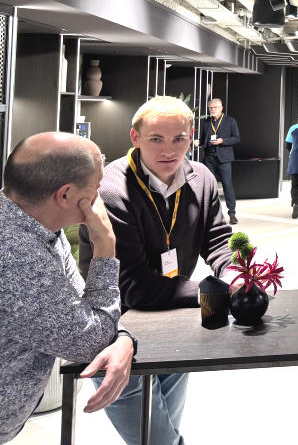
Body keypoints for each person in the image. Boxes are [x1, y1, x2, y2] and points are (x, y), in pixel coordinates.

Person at [79, 96, 234, 445]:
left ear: (191, 137)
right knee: (158, 440)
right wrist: (212, 291)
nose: (169, 150)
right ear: (135, 138)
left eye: (179, 138)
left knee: (165, 433)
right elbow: (132, 287)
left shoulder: (202, 178)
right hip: (116, 328)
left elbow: (218, 239)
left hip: (173, 320)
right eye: (156, 139)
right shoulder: (112, 190)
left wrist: (234, 272)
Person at [0, 133, 136, 444]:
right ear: (65, 195)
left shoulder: (36, 223)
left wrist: (123, 337)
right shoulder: (16, 255)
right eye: (96, 187)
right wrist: (106, 246)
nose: (100, 195)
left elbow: (83, 311)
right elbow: (88, 340)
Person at [195, 97, 240, 225]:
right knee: (209, 186)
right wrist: (199, 142)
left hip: (224, 159)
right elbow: (203, 138)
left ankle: (232, 213)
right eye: (210, 108)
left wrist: (222, 141)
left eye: (215, 107)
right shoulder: (206, 122)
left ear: (221, 108)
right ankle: (211, 215)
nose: (212, 110)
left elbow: (236, 138)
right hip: (209, 158)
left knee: (227, 185)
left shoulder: (230, 121)